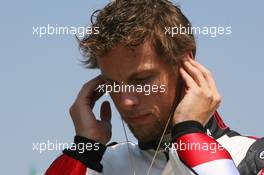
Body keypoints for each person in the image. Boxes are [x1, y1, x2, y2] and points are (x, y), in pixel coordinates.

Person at [45, 0, 264, 174]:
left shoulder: (251, 158)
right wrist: (84, 150)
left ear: (186, 63)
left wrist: (189, 133)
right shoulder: (99, 165)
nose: (126, 102)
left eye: (141, 80)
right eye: (112, 84)